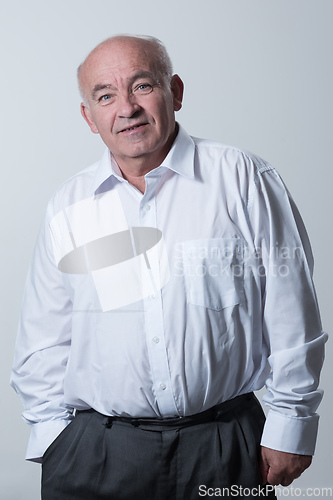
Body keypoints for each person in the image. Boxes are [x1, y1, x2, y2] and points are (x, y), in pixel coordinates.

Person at [11, 35, 327, 500]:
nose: (126, 108)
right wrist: (57, 440)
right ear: (89, 117)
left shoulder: (242, 179)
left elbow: (291, 310)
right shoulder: (69, 206)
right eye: (105, 96)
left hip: (222, 444)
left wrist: (291, 424)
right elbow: (43, 339)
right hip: (98, 450)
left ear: (175, 92)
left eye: (142, 86)